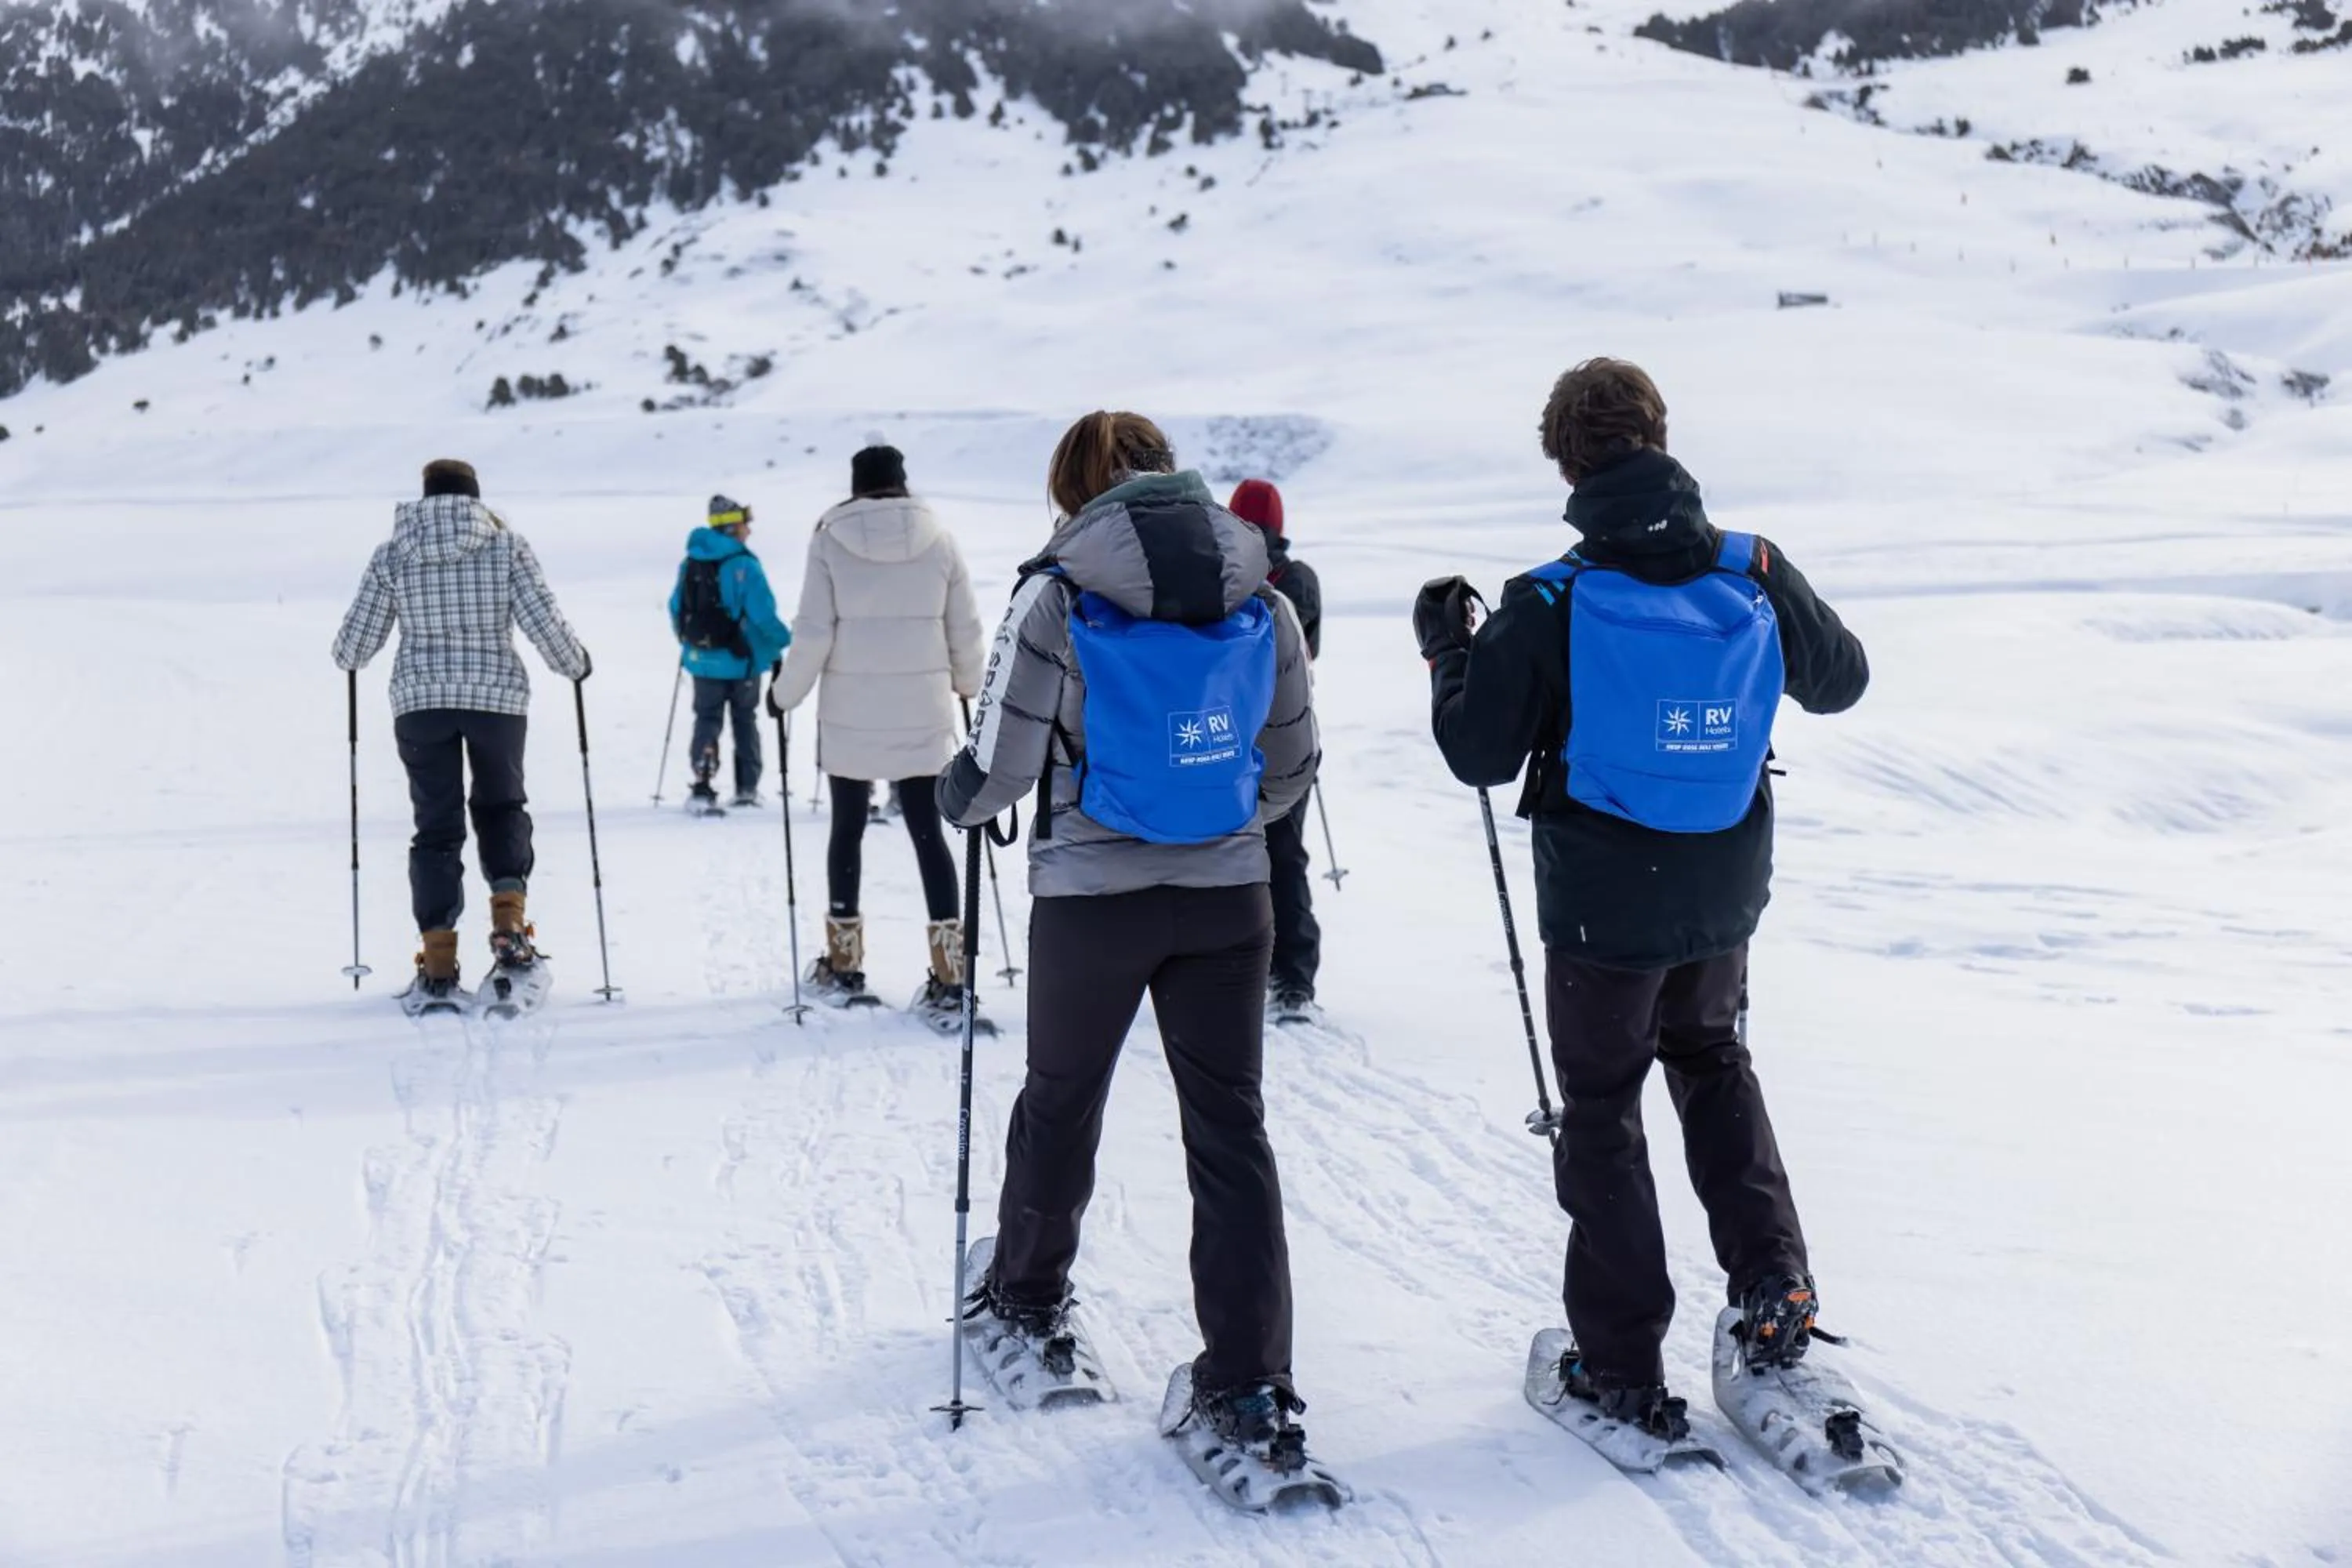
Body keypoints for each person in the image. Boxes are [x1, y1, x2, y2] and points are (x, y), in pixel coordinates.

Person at [1414, 359, 1869, 1440]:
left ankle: (1620, 1366)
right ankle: (1775, 1291)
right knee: (1712, 1063)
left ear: (1566, 462)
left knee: (1604, 1110)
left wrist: (1448, 653)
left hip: (1601, 909)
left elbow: (1478, 752)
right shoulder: (1752, 568)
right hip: (1721, 887)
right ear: (1661, 436)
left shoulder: (1549, 598)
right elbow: (1841, 679)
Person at [938, 412, 1323, 1474]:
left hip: (1093, 900)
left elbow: (1000, 767)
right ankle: (1247, 1379)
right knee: (1230, 1130)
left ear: (1076, 491)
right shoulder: (1264, 593)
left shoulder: (1057, 595)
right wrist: (1215, 819)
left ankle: (1026, 1294)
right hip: (1229, 900)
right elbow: (1293, 765)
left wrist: (957, 799)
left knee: (1062, 1099)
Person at [332, 459, 592, 1010]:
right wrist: (575, 664)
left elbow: (353, 648)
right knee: (502, 806)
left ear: (424, 499)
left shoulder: (394, 554)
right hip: (497, 703)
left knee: (436, 827)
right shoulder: (507, 547)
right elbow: (543, 621)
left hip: (420, 707)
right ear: (475, 499)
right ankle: (509, 927)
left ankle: (438, 961)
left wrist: (351, 653)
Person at [768, 445, 985, 1029]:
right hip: (922, 713)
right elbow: (964, 626)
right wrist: (969, 684)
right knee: (928, 834)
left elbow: (813, 632)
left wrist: (783, 695)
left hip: (852, 715)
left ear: (856, 485)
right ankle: (951, 972)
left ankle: (844, 965)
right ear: (902, 482)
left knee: (848, 828)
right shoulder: (939, 538)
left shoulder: (830, 540)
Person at [1226, 478, 1324, 1022]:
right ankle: (1288, 973)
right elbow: (1307, 649)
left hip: (1239, 735)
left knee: (1244, 856)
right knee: (1283, 856)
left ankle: (1274, 971)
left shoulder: (1231, 576)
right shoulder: (1297, 579)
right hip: (1288, 735)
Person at [668, 494, 790, 812]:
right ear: (733, 527)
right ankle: (747, 788)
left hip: (702, 661)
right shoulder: (744, 565)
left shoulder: (691, 562)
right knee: (744, 720)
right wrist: (784, 640)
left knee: (707, 717)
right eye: (745, 523)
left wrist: (688, 643)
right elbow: (763, 614)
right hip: (742, 661)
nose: (749, 529)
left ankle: (703, 774)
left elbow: (676, 607)